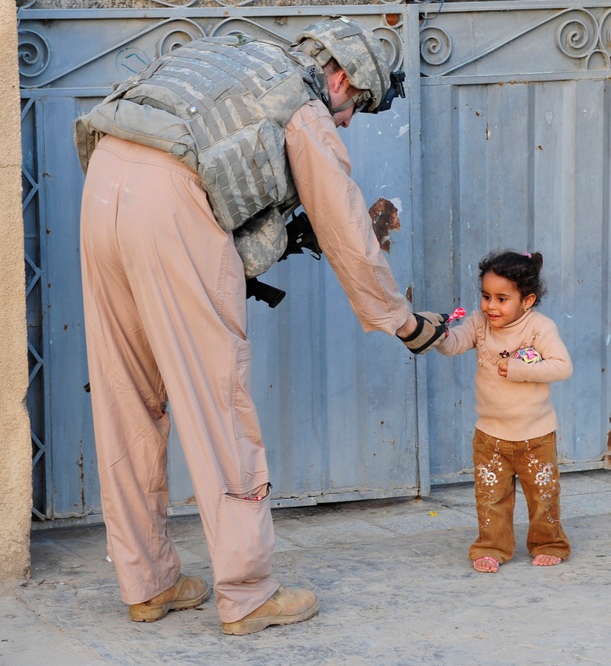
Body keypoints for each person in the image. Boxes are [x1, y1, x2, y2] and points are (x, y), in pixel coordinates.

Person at [73, 16, 448, 635]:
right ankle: (247, 593)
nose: (351, 118)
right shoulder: (302, 103)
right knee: (216, 398)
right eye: (357, 103)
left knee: (125, 390)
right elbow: (348, 230)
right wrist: (399, 320)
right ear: (341, 75)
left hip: (105, 180)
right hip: (172, 202)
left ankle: (149, 583)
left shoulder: (236, 55)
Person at [436, 250, 573, 573]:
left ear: (527, 300)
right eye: (486, 296)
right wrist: (435, 335)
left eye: (501, 298)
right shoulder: (479, 323)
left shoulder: (540, 328)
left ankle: (549, 543)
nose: (491, 306)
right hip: (490, 435)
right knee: (490, 497)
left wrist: (517, 369)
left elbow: (562, 366)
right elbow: (455, 343)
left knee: (543, 496)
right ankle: (492, 546)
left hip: (535, 435)